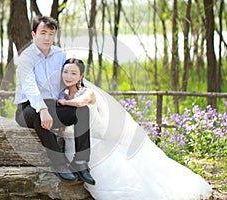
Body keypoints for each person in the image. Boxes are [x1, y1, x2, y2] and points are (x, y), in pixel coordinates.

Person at [58, 58, 212, 200]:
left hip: (93, 139)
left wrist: (63, 103)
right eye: (66, 72)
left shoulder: (88, 92)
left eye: (73, 73)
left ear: (81, 75)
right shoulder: (63, 93)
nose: (69, 76)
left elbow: (80, 102)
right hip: (73, 139)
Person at [14, 16, 95, 185]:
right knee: (39, 115)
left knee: (82, 111)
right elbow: (30, 87)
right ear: (34, 34)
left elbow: (63, 83)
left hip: (52, 105)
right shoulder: (26, 57)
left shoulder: (59, 55)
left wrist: (65, 101)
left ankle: (80, 163)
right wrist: (43, 110)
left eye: (51, 34)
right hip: (28, 108)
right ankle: (59, 164)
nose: (47, 38)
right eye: (43, 33)